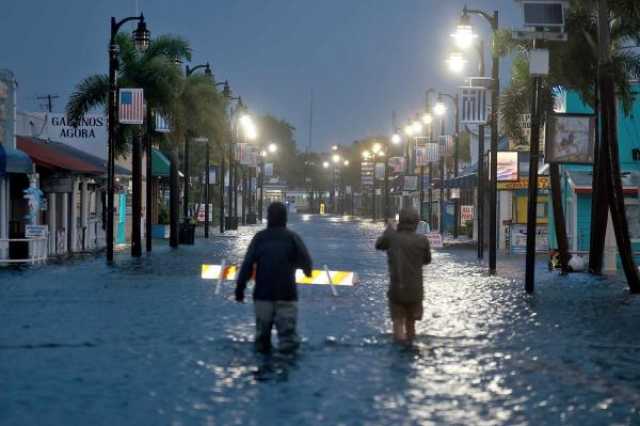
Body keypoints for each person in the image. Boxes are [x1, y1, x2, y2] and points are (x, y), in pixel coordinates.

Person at [235, 201, 313, 353]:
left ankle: (263, 372)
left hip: (263, 296)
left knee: (262, 341)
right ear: (285, 219)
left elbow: (247, 265)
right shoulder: (293, 238)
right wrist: (306, 271)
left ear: (268, 218)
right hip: (287, 295)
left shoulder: (259, 238)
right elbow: (306, 262)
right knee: (288, 341)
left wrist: (240, 289)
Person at [375, 207, 431, 344]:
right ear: (416, 222)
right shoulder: (422, 241)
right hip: (416, 292)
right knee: (411, 324)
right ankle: (410, 346)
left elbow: (379, 245)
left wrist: (389, 228)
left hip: (397, 290)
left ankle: (399, 344)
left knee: (398, 322)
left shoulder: (392, 237)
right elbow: (427, 260)